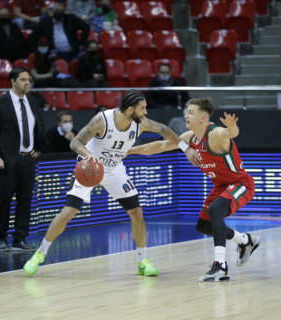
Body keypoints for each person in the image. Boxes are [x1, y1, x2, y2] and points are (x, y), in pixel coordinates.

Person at [23, 90, 200, 277]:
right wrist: (89, 155)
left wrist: (186, 148)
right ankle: (40, 253)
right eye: (142, 109)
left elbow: (165, 130)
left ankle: (143, 261)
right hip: (90, 167)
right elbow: (75, 142)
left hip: (114, 170)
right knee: (69, 212)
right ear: (130, 109)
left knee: (137, 212)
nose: (146, 112)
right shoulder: (102, 120)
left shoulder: (140, 123)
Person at [128, 98, 260, 282]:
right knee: (204, 226)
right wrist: (129, 151)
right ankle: (245, 241)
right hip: (221, 186)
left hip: (240, 184)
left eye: (191, 112)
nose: (186, 115)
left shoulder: (214, 134)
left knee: (216, 210)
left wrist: (232, 127)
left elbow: (230, 133)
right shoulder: (189, 138)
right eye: (186, 111)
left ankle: (220, 266)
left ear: (203, 118)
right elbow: (161, 146)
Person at [0, 67, 48, 252]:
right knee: (3, 200)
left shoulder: (33, 101)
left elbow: (40, 126)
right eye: (23, 80)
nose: (27, 83)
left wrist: (38, 148)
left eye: (29, 79)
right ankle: (1, 239)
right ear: (13, 81)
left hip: (27, 160)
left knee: (25, 200)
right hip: (5, 161)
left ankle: (20, 239)